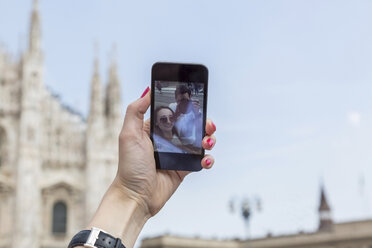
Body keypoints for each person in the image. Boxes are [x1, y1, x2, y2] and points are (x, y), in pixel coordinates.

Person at [69, 86, 216, 248]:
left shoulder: (186, 129)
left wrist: (133, 197)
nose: (168, 122)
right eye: (162, 119)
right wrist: (130, 194)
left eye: (170, 119)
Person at [169, 85, 202, 151]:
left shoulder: (195, 109)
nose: (182, 104)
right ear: (175, 99)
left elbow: (199, 129)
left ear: (190, 97)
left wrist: (197, 114)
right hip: (176, 143)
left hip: (191, 144)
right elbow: (167, 128)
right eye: (179, 101)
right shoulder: (172, 107)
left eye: (185, 101)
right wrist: (176, 115)